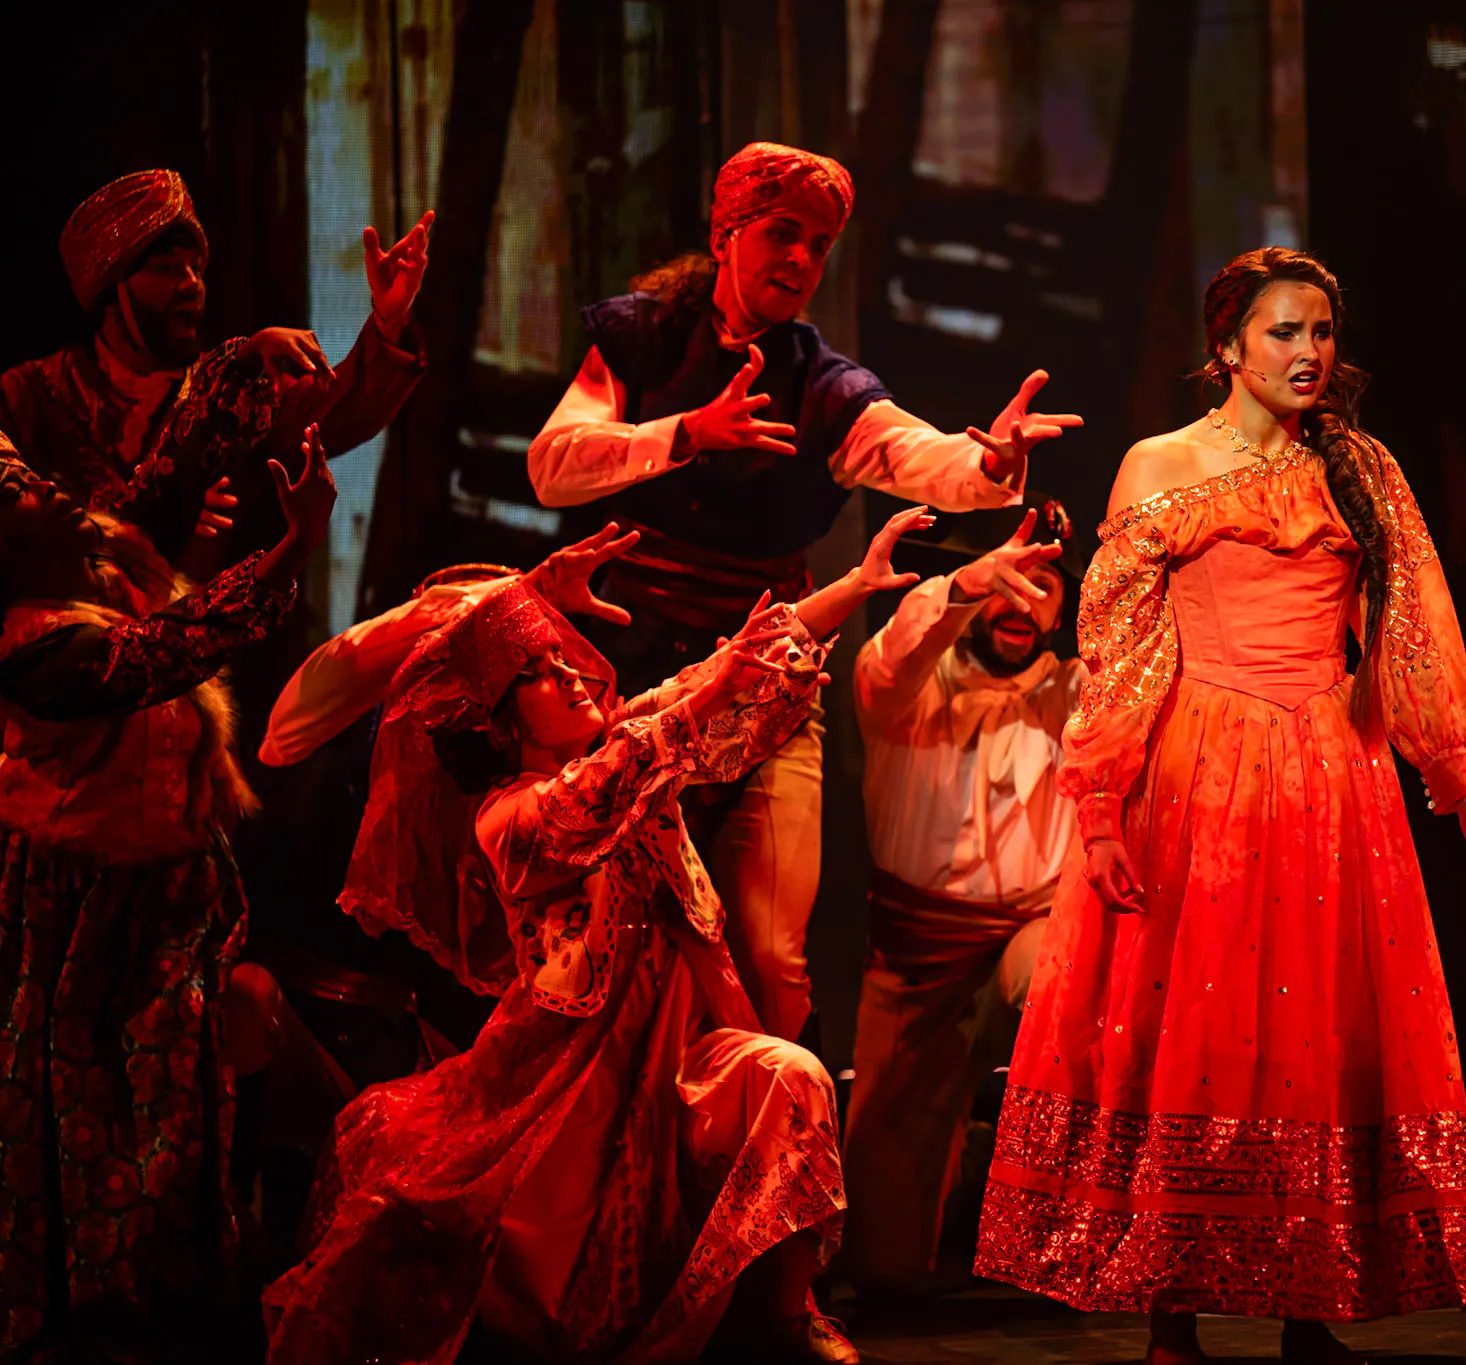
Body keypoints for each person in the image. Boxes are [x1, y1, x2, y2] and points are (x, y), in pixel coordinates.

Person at [973, 247, 1466, 1365]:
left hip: (1333, 769)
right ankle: (1170, 1308)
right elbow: (1120, 649)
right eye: (1281, 332)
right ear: (1225, 346)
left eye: (1319, 332)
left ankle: (1304, 1300)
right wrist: (1096, 806)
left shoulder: (1359, 469)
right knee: (1194, 1032)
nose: (1307, 353)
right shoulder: (1160, 467)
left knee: (1311, 1032)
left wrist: (1458, 790)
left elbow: (1412, 633)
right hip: (1199, 768)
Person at [262, 506, 942, 1365]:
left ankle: (785, 1313)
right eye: (541, 674)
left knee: (792, 1075)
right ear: (503, 722)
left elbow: (721, 676)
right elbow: (617, 779)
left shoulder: (630, 741)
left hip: (684, 1049)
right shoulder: (509, 816)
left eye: (566, 659)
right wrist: (687, 697)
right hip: (571, 1082)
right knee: (554, 1287)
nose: (576, 677)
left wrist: (853, 584)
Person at [527, 141, 1082, 1042]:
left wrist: (991, 460)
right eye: (782, 234)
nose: (799, 260)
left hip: (760, 687)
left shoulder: (823, 386)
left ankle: (775, 1165)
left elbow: (915, 453)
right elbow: (553, 466)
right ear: (726, 233)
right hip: (618, 680)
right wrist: (684, 433)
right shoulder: (639, 336)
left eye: (818, 245)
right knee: (598, 946)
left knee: (769, 956)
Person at [0, 412, 336, 1364]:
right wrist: (299, 539)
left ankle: (182, 1280)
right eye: (17, 487)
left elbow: (173, 461)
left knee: (185, 1095)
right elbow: (173, 651)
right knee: (97, 1108)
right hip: (86, 912)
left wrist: (248, 359)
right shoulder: (36, 648)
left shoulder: (102, 554)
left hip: (173, 890)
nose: (45, 483)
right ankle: (98, 1311)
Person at [840, 496, 1087, 1292]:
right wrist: (957, 589)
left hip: (1031, 930)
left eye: (1044, 584)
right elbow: (896, 654)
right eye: (1007, 580)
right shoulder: (903, 684)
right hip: (917, 954)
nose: (1023, 602)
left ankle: (1060, 1244)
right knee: (881, 1254)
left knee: (1072, 989)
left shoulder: (1079, 692)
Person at [0, 169, 430, 580]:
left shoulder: (226, 395)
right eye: (166, 268)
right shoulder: (30, 397)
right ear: (112, 291)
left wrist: (389, 320)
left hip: (206, 649)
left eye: (196, 268)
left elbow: (337, 411)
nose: (191, 284)